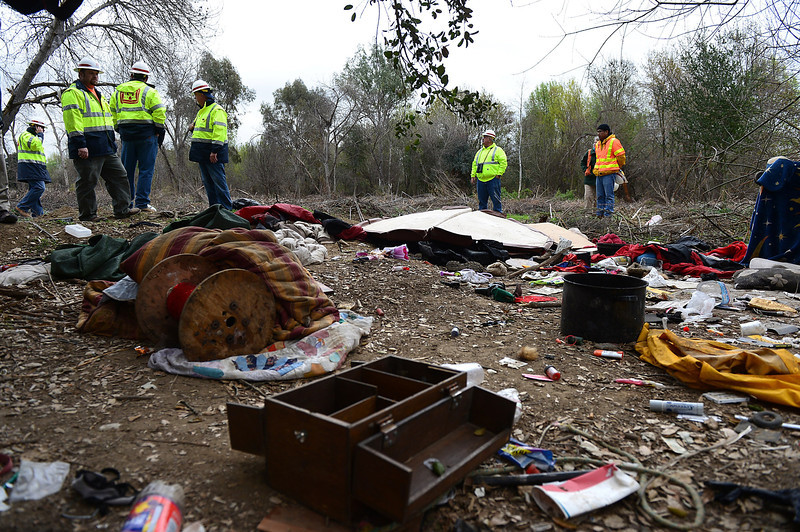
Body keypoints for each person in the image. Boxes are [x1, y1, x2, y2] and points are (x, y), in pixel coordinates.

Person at [62, 56, 139, 221]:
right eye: (91, 73)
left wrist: (112, 143)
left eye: (96, 74)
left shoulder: (98, 94)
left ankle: (122, 209)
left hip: (106, 146)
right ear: (81, 74)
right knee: (87, 181)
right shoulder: (73, 93)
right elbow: (73, 122)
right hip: (87, 148)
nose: (95, 77)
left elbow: (106, 121)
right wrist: (80, 145)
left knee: (120, 176)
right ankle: (88, 215)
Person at [110, 61, 166, 212]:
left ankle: (127, 203)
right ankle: (142, 203)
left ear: (131, 75)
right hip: (147, 135)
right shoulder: (149, 91)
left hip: (127, 136)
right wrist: (159, 130)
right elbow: (159, 112)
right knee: (146, 169)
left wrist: (118, 128)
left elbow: (112, 112)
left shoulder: (118, 92)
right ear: (146, 78)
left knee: (126, 171)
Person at [188, 79, 232, 210]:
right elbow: (200, 130)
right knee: (208, 183)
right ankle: (214, 209)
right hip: (202, 154)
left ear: (201, 94)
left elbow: (220, 132)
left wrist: (214, 151)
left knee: (219, 182)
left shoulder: (217, 110)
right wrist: (192, 128)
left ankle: (227, 210)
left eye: (195, 95)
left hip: (213, 154)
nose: (195, 98)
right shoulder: (201, 111)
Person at [15, 118, 51, 217]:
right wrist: (40, 135)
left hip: (36, 167)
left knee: (35, 190)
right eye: (42, 128)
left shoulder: (33, 137)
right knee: (39, 188)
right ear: (36, 127)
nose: (43, 131)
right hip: (30, 166)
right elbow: (35, 146)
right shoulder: (26, 135)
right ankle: (22, 207)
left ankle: (38, 215)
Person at [593, 124, 626, 218]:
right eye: (598, 132)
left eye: (600, 132)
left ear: (606, 132)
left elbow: (621, 156)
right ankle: (600, 214)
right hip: (599, 173)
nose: (598, 134)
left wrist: (617, 166)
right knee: (600, 196)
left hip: (609, 174)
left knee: (609, 196)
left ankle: (608, 216)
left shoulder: (613, 141)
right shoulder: (598, 144)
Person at [470, 129, 507, 213]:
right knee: (482, 202)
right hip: (481, 180)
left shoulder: (498, 150)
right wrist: (473, 175)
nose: (483, 139)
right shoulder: (479, 152)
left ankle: (498, 217)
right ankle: (482, 218)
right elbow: (474, 164)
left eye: (485, 137)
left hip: (493, 180)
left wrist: (499, 174)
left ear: (490, 139)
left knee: (496, 201)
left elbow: (503, 163)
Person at [580, 137, 598, 211]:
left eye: (597, 142)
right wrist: (585, 170)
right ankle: (587, 215)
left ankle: (597, 215)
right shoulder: (589, 152)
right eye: (594, 142)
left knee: (598, 199)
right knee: (588, 197)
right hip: (589, 179)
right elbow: (582, 163)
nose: (595, 143)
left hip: (599, 179)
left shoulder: (604, 153)